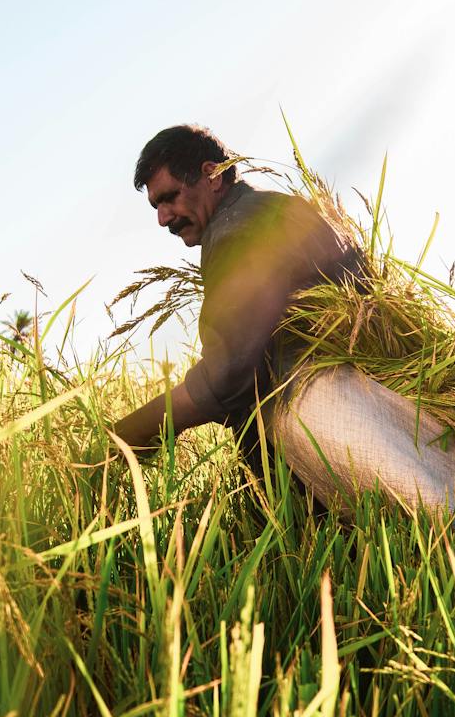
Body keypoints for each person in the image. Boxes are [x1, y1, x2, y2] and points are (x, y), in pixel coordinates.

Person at [108, 125, 362, 471]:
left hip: (334, 448)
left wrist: (127, 436)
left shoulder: (236, 231)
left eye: (169, 197)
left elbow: (229, 376)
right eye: (156, 205)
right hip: (351, 424)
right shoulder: (278, 207)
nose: (162, 218)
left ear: (212, 175)